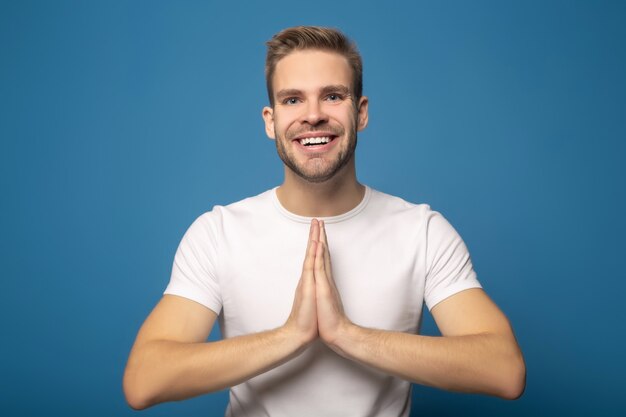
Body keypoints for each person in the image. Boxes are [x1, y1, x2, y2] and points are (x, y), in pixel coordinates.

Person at [123, 26, 526, 416]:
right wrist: (290, 336)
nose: (313, 115)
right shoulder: (218, 233)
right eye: (293, 100)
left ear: (361, 112)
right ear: (270, 120)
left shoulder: (421, 231)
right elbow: (144, 380)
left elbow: (504, 369)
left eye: (332, 96)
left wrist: (345, 334)